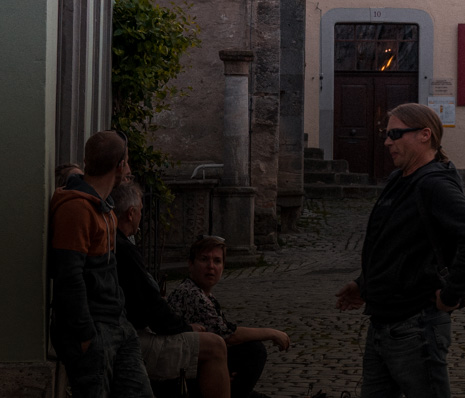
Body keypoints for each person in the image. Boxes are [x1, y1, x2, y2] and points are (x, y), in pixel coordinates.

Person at [336, 102, 465, 398]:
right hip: (383, 322)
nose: (387, 142)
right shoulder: (400, 180)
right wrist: (363, 284)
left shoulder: (434, 183)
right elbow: (395, 245)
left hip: (415, 328)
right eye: (387, 134)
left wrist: (451, 294)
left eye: (395, 134)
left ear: (424, 135)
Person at [48, 130, 154, 398]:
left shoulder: (103, 206)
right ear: (120, 166)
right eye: (127, 162)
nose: (129, 169)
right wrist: (85, 335)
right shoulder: (76, 208)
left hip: (117, 323)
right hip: (94, 330)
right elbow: (68, 276)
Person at [113, 181, 231, 398]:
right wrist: (184, 328)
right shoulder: (123, 248)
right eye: (140, 210)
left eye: (217, 261)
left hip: (127, 329)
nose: (141, 216)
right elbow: (152, 308)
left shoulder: (119, 243)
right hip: (130, 336)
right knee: (215, 346)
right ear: (131, 213)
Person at [168, 237, 289, 398]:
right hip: (184, 373)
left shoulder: (204, 294)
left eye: (217, 261)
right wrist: (271, 333)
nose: (211, 266)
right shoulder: (190, 293)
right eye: (204, 259)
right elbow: (228, 335)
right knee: (254, 351)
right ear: (191, 264)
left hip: (201, 364)